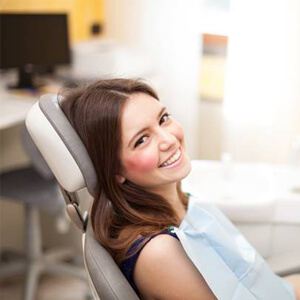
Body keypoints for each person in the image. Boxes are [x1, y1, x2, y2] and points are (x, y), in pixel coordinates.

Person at [60, 79, 300, 300]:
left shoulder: (183, 205)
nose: (169, 140)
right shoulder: (158, 252)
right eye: (142, 140)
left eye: (163, 119)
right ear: (115, 171)